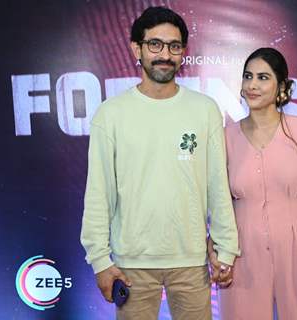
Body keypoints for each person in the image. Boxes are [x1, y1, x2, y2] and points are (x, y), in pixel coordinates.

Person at [80, 6, 239, 320]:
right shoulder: (111, 115)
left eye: (174, 46)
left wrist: (226, 247)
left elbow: (218, 184)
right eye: (155, 44)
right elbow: (99, 193)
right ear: (136, 49)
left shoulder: (204, 109)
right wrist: (100, 260)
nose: (165, 54)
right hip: (131, 265)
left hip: (192, 263)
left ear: (183, 53)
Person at [210, 47, 297, 320]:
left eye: (263, 77)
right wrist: (217, 247)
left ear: (281, 86)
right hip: (241, 249)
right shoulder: (225, 136)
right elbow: (218, 201)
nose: (253, 85)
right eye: (248, 76)